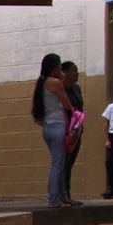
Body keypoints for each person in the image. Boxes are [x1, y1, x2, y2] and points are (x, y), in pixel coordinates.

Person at [30, 53, 74, 208]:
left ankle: (60, 196)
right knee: (58, 163)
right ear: (53, 67)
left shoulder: (42, 83)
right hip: (58, 125)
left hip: (48, 126)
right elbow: (67, 104)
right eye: (59, 65)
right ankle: (54, 198)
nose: (61, 68)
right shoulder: (55, 83)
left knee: (59, 162)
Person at [60, 61, 84, 206]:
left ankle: (67, 193)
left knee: (70, 163)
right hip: (66, 129)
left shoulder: (76, 88)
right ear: (66, 72)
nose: (77, 73)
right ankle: (62, 194)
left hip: (77, 129)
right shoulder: (61, 88)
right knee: (64, 162)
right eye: (74, 70)